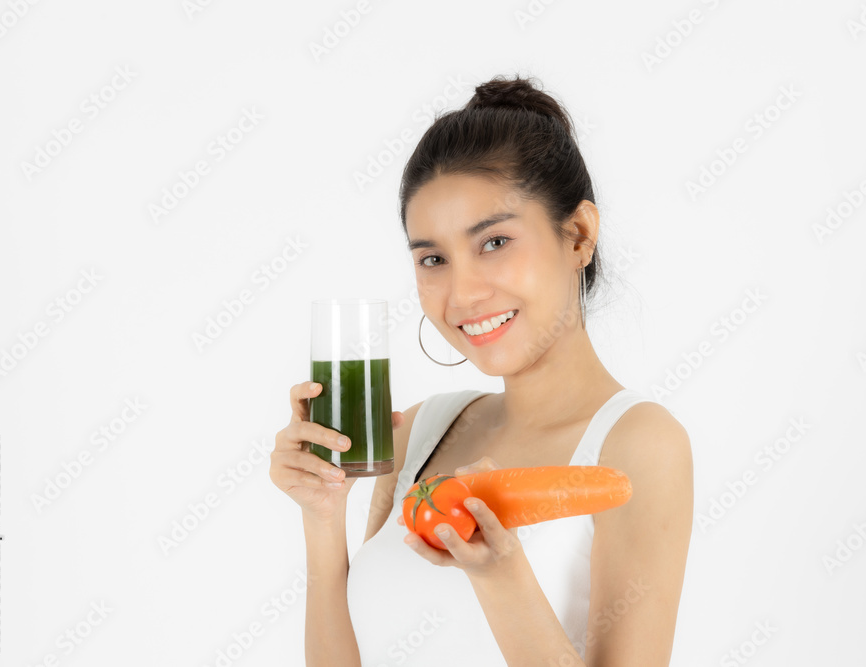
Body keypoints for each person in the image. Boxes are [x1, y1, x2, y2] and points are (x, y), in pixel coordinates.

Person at [270, 74, 693, 666]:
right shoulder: (421, 431)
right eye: (434, 258)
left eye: (494, 242)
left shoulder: (639, 444)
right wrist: (322, 517)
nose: (463, 293)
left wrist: (502, 576)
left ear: (578, 235)